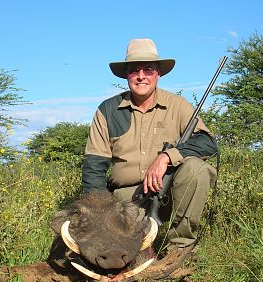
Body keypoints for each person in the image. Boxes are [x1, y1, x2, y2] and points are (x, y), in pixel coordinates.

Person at [82, 38, 218, 249]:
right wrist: (98, 213)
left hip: (171, 192)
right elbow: (94, 167)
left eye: (148, 69)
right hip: (126, 198)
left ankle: (181, 249)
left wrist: (166, 156)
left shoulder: (178, 105)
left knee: (196, 169)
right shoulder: (107, 110)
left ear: (158, 74)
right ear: (126, 75)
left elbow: (207, 142)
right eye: (134, 70)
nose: (141, 76)